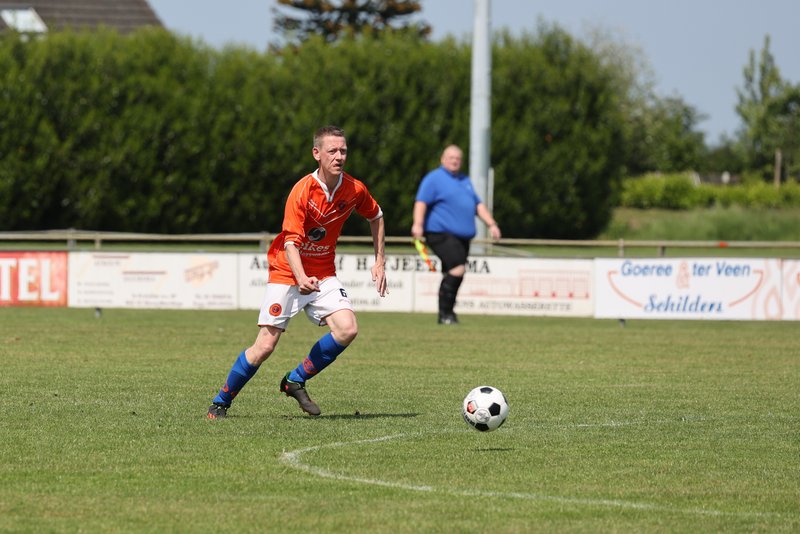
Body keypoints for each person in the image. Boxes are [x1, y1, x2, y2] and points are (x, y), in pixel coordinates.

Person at [207, 125, 388, 419]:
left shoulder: (354, 189)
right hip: (287, 272)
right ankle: (221, 401)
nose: (339, 156)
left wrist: (379, 261)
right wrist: (301, 277)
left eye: (343, 151)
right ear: (317, 153)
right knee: (265, 345)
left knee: (347, 329)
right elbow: (291, 242)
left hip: (323, 272)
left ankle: (295, 380)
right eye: (332, 151)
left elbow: (376, 215)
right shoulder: (302, 190)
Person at [411, 144, 501, 324]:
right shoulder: (434, 179)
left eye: (458, 158)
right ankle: (445, 314)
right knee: (457, 268)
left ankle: (447, 314)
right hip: (440, 233)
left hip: (462, 238)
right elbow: (421, 202)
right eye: (451, 158)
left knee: (451, 272)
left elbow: (478, 205)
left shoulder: (464, 180)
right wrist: (418, 224)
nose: (455, 161)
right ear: (443, 159)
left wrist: (492, 224)